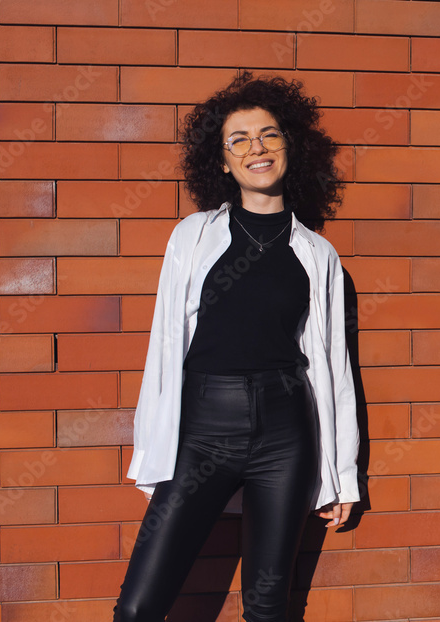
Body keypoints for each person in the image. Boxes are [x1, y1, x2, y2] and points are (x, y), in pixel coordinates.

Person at [114, 72, 360, 622]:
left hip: (285, 434)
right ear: (223, 162)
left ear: (289, 147)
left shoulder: (318, 254)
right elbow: (164, 345)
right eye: (240, 139)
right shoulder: (194, 235)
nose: (257, 148)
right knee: (137, 607)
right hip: (203, 430)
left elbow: (333, 367)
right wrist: (154, 446)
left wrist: (342, 473)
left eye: (269, 135)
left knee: (268, 609)